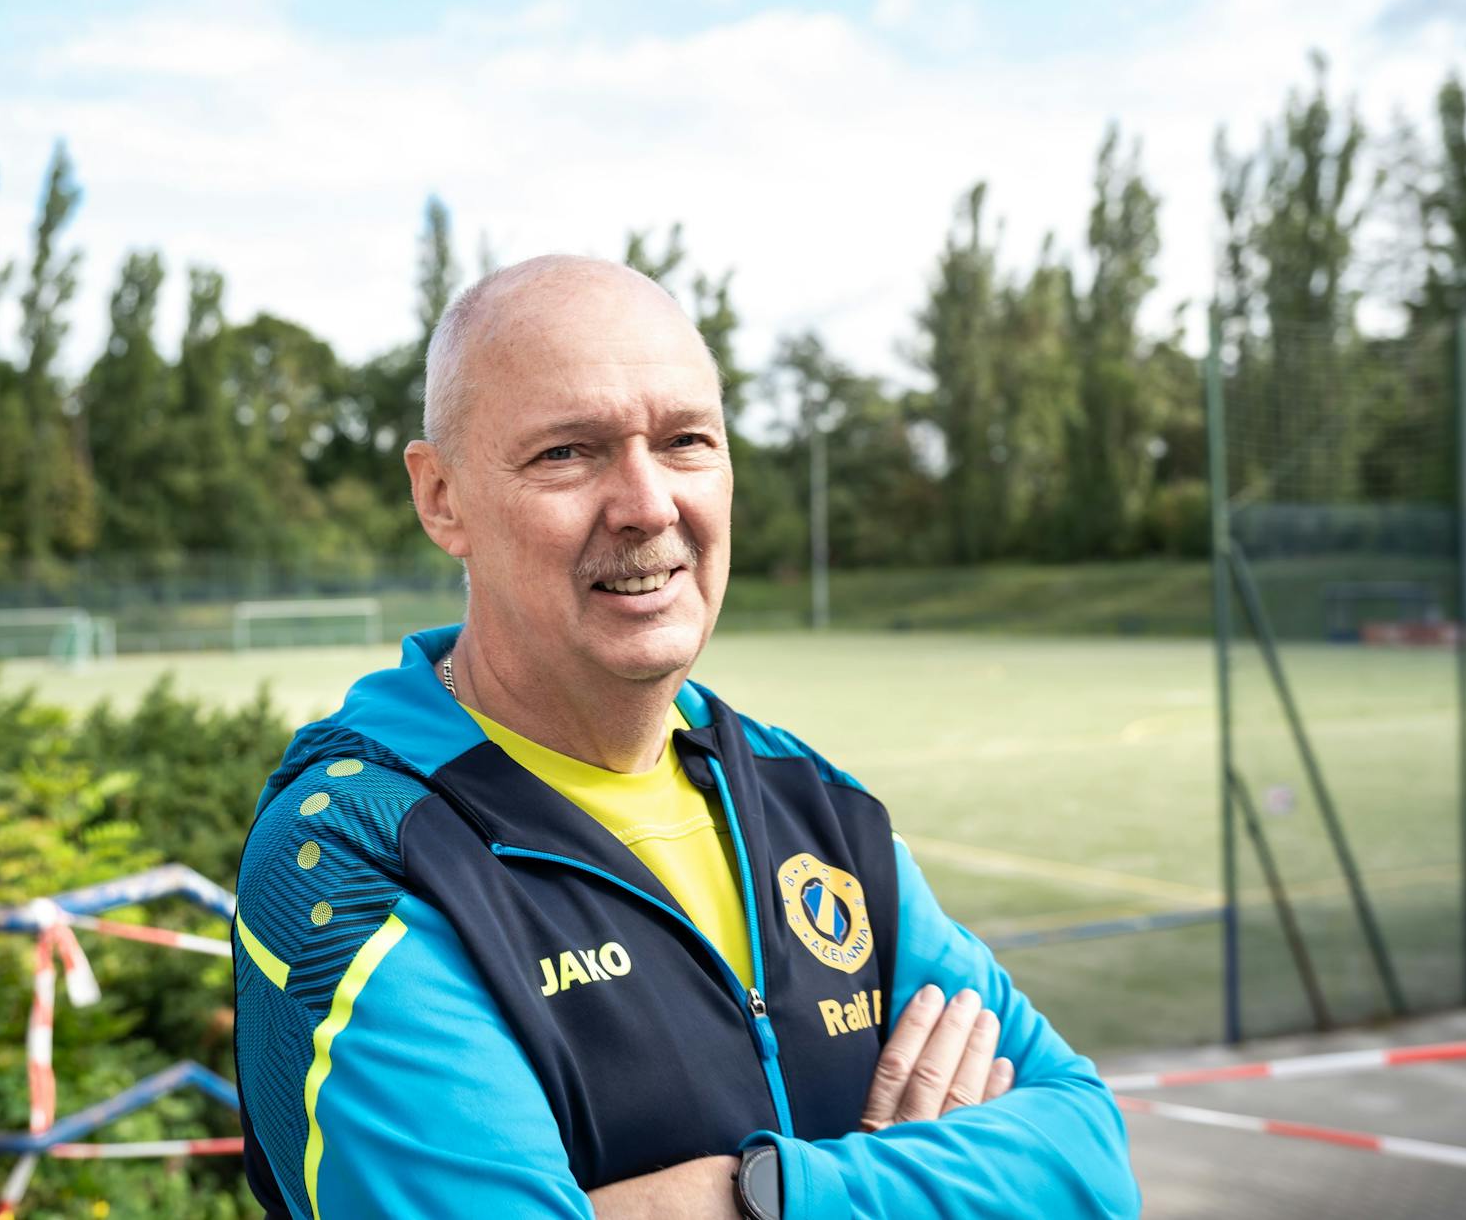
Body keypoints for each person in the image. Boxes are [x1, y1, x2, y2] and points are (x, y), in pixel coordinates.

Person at [231, 256, 1139, 1219]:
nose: (648, 503)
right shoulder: (348, 854)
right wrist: (920, 1181)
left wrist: (758, 1197)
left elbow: (1091, 1162)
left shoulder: (813, 805)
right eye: (567, 453)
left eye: (685, 440)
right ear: (441, 496)